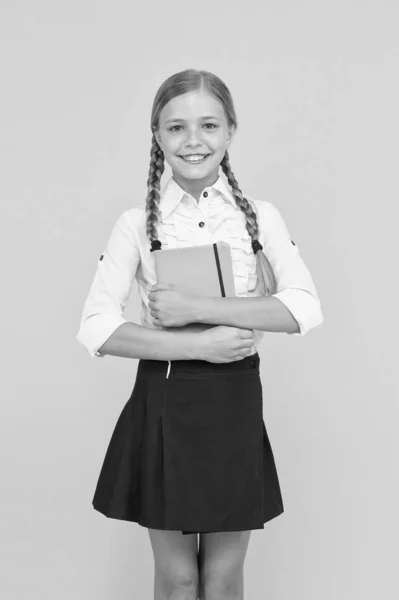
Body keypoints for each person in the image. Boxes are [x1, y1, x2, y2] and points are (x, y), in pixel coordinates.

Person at [76, 68, 323, 600]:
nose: (193, 141)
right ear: (158, 137)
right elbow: (95, 327)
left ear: (231, 130)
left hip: (233, 402)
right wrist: (198, 344)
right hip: (164, 400)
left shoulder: (261, 217)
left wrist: (199, 307)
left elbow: (304, 309)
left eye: (209, 125)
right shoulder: (135, 224)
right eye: (176, 128)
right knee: (180, 578)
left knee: (222, 577)